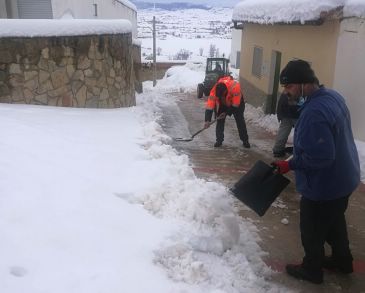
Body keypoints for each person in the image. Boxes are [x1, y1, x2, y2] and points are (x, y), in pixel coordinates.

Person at [272, 59, 360, 284]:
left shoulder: (314, 112)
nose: (286, 92)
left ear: (304, 84)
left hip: (325, 185)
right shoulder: (332, 96)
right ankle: (343, 261)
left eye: (289, 87)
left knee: (311, 229)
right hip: (345, 177)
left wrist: (290, 164)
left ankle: (312, 269)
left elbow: (321, 156)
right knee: (333, 221)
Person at [204, 76, 250, 148]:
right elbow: (210, 106)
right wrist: (207, 120)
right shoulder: (214, 91)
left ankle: (245, 140)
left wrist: (226, 113)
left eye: (222, 95)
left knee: (240, 120)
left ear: (226, 91)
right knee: (219, 120)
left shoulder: (235, 87)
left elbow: (235, 105)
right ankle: (219, 141)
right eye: (219, 96)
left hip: (237, 104)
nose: (221, 96)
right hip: (223, 104)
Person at [272, 93, 300, 157]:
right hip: (297, 115)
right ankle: (299, 151)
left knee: (283, 132)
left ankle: (278, 150)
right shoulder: (300, 89)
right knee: (300, 133)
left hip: (286, 114)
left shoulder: (287, 88)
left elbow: (281, 102)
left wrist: (279, 115)